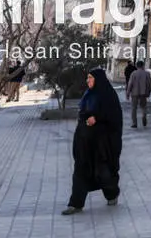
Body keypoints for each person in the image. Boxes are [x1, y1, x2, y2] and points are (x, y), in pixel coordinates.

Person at [62, 67, 123, 215]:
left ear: (98, 79)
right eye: (87, 77)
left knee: (104, 172)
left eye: (90, 78)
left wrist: (97, 118)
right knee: (80, 170)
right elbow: (83, 113)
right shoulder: (88, 95)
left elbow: (114, 118)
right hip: (85, 142)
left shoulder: (108, 95)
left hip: (102, 145)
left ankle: (112, 194)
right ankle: (75, 204)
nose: (87, 80)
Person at [124, 59, 151, 129]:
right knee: (144, 107)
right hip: (143, 93)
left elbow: (130, 84)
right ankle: (144, 116)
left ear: (137, 66)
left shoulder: (133, 73)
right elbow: (150, 84)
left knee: (134, 108)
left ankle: (134, 123)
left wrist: (127, 93)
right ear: (143, 66)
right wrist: (149, 92)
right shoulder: (147, 73)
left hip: (134, 93)